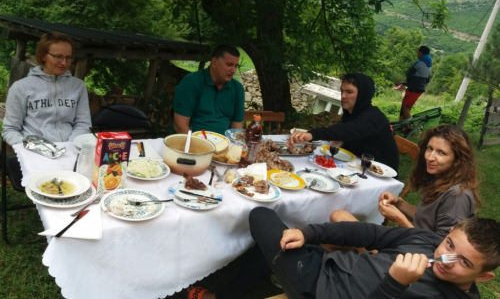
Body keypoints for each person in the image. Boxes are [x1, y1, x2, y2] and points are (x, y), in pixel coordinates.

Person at [189, 208, 499, 298]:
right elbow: (369, 233)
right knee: (267, 220)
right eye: (449, 245)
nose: (447, 258)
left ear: (484, 276)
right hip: (323, 263)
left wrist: (395, 284)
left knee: (260, 219)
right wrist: (309, 232)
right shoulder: (426, 240)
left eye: (465, 262)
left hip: (315, 287)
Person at [331, 125, 480, 238]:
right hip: (405, 240)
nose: (430, 157)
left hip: (412, 255)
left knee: (340, 221)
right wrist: (399, 203)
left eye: (441, 153)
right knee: (338, 219)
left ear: (457, 160)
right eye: (430, 149)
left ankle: (368, 258)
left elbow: (440, 248)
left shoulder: (457, 196)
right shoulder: (443, 180)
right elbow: (425, 220)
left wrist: (399, 218)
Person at [288, 72, 399, 172]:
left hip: (380, 175)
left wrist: (312, 134)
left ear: (362, 95)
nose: (343, 96)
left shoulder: (374, 117)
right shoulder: (351, 114)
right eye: (342, 91)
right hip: (357, 165)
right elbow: (342, 134)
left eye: (349, 92)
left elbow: (348, 130)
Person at [2, 32, 91, 146]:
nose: (64, 62)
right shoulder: (21, 87)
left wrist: (69, 147)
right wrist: (33, 148)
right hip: (34, 152)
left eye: (68, 57)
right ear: (43, 55)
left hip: (70, 150)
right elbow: (10, 129)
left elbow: (83, 124)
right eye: (58, 56)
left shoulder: (78, 86)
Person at [173, 44, 244, 135]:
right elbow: (180, 126)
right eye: (229, 65)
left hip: (224, 144)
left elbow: (237, 127)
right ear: (214, 62)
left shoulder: (237, 88)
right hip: (192, 143)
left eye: (236, 66)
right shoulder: (191, 82)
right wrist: (198, 146)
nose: (233, 70)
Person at [400, 45, 432, 120]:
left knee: (404, 106)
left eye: (418, 52)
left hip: (413, 88)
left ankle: (409, 124)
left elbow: (409, 75)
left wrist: (405, 84)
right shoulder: (429, 66)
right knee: (409, 106)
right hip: (420, 89)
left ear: (421, 53)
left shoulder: (419, 63)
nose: (417, 53)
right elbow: (427, 80)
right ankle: (402, 124)